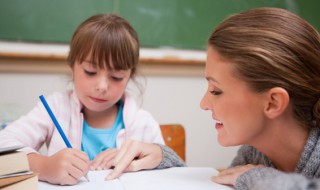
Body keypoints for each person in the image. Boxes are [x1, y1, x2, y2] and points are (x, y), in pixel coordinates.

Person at [105, 7, 320, 190]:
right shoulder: (255, 153)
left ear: (273, 102)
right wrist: (164, 160)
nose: (204, 104)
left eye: (216, 91)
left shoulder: (256, 168)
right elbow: (218, 183)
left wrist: (257, 179)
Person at [0, 14, 165, 185]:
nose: (102, 86)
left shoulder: (142, 122)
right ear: (72, 65)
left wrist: (159, 155)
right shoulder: (55, 109)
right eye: (90, 71)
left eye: (116, 76)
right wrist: (44, 166)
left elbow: (176, 170)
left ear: (130, 75)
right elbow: (3, 146)